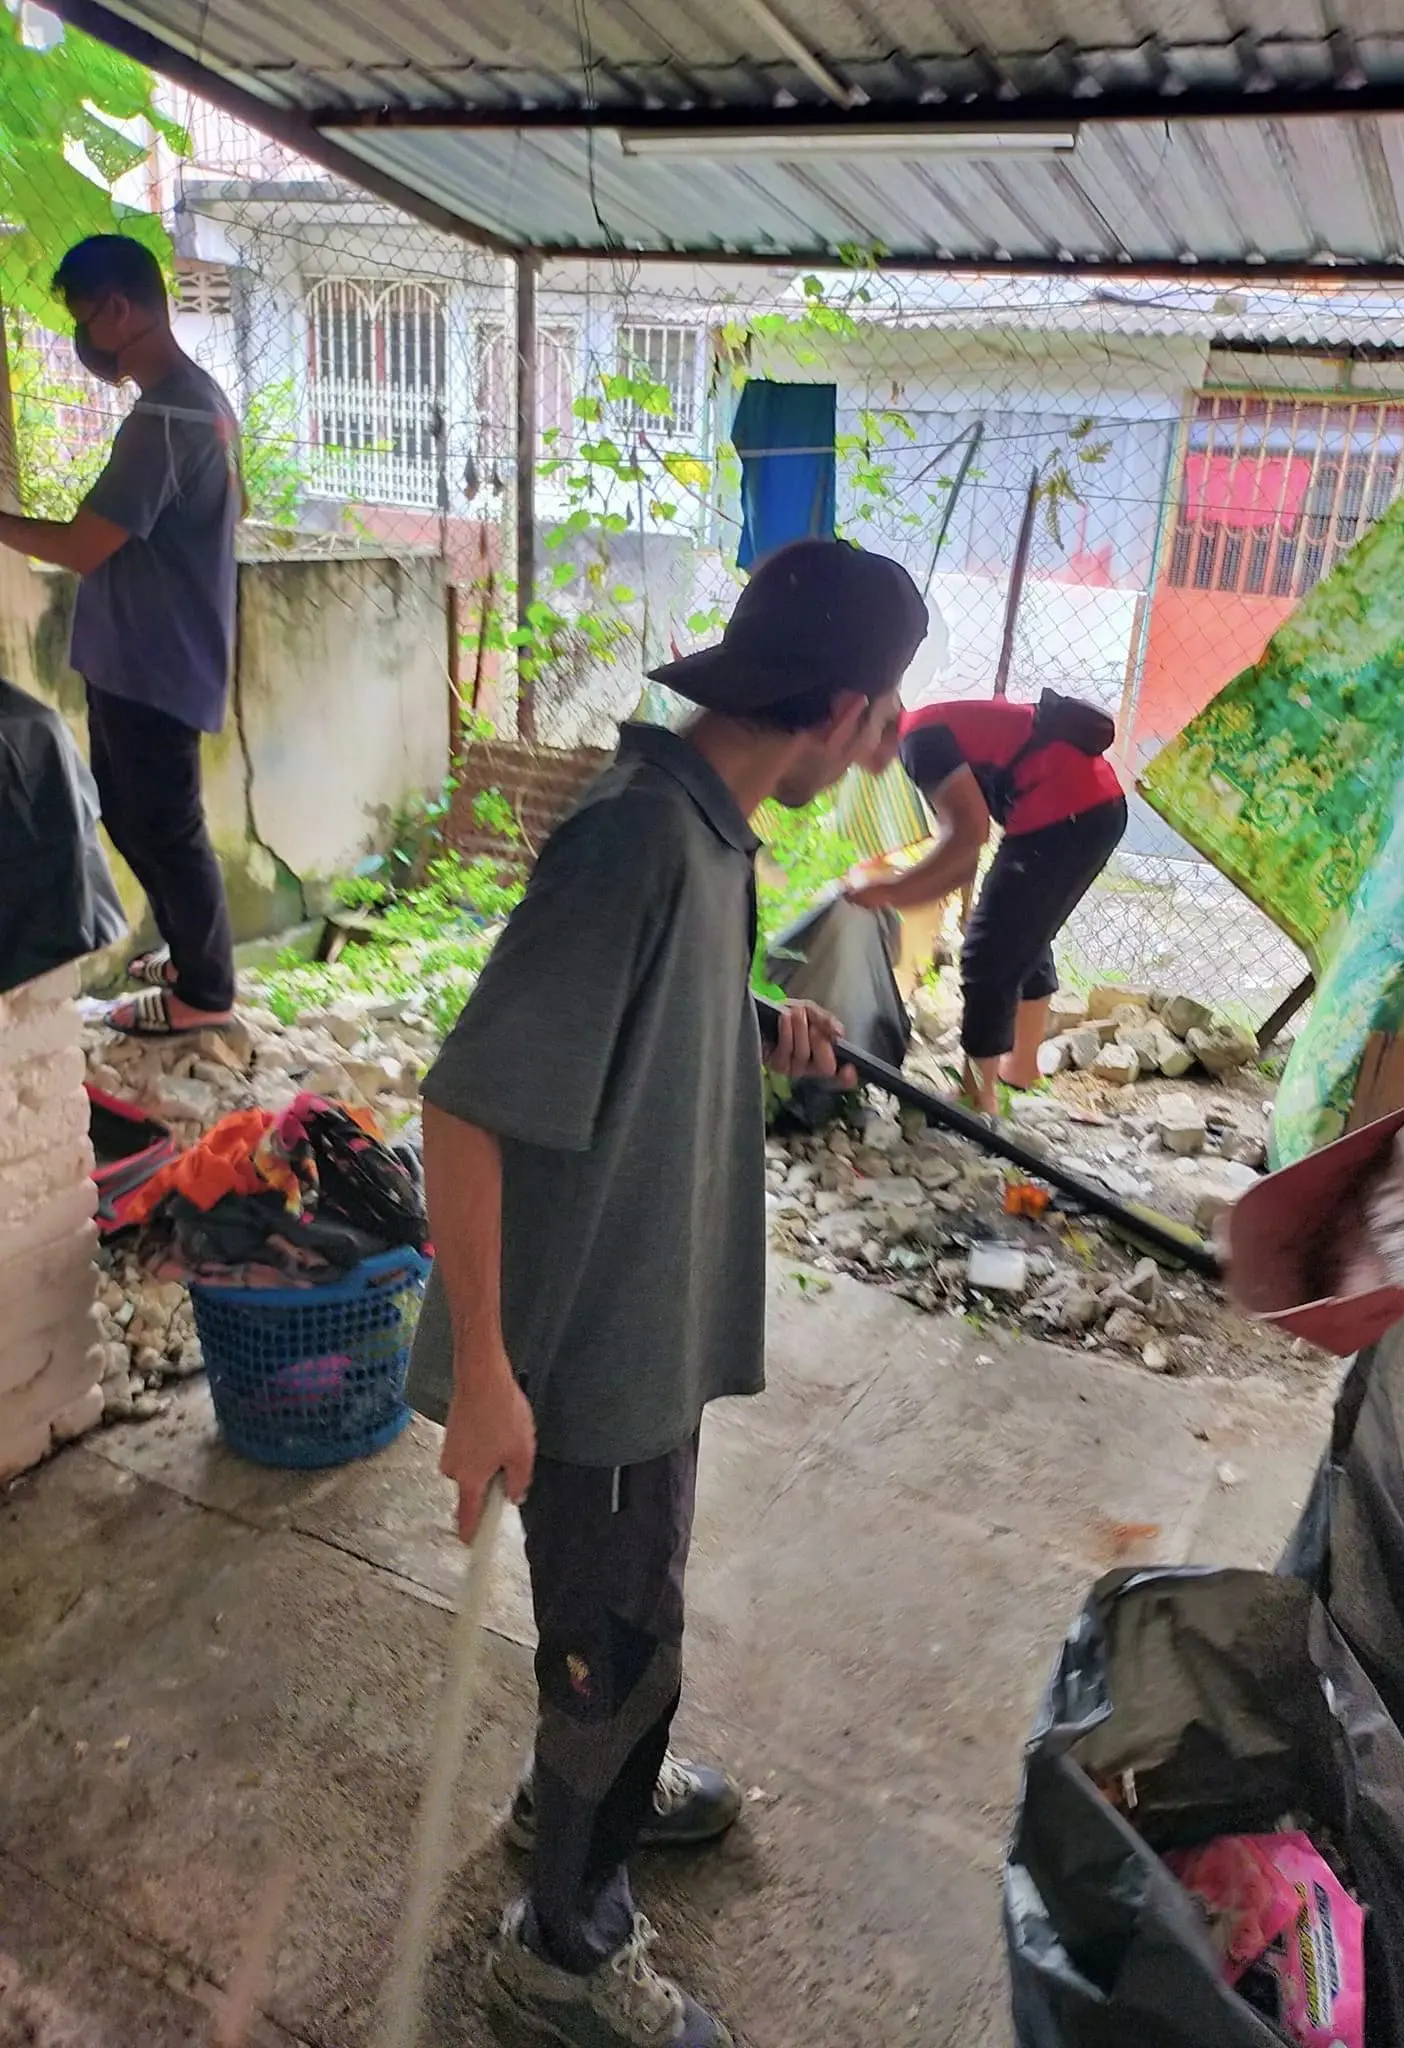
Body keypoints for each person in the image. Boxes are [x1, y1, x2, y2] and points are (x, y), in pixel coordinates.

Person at [407, 538, 929, 2048]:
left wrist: (760, 1025)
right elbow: (463, 1108)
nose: (890, 739)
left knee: (615, 1621)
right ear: (839, 707)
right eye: (886, 713)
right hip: (587, 1352)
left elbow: (640, 1000)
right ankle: (564, 1953)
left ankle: (568, 1788)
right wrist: (494, 1371)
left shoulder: (712, 824)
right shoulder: (640, 836)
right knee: (624, 1645)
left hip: (650, 1306)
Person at [0, 234, 241, 1038]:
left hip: (153, 663)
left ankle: (205, 993)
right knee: (138, 813)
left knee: (164, 823)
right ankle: (187, 956)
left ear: (120, 310)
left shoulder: (162, 421)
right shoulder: (201, 399)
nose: (81, 339)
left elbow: (79, 546)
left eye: (82, 318)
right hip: (152, 653)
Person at [847, 691, 1128, 1117]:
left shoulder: (918, 741)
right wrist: (943, 901)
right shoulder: (927, 727)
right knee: (1022, 931)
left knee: (986, 957)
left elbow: (968, 833)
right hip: (1092, 807)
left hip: (1065, 812)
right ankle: (1021, 1069)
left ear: (867, 727)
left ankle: (977, 1099)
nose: (848, 759)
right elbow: (964, 848)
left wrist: (888, 891)